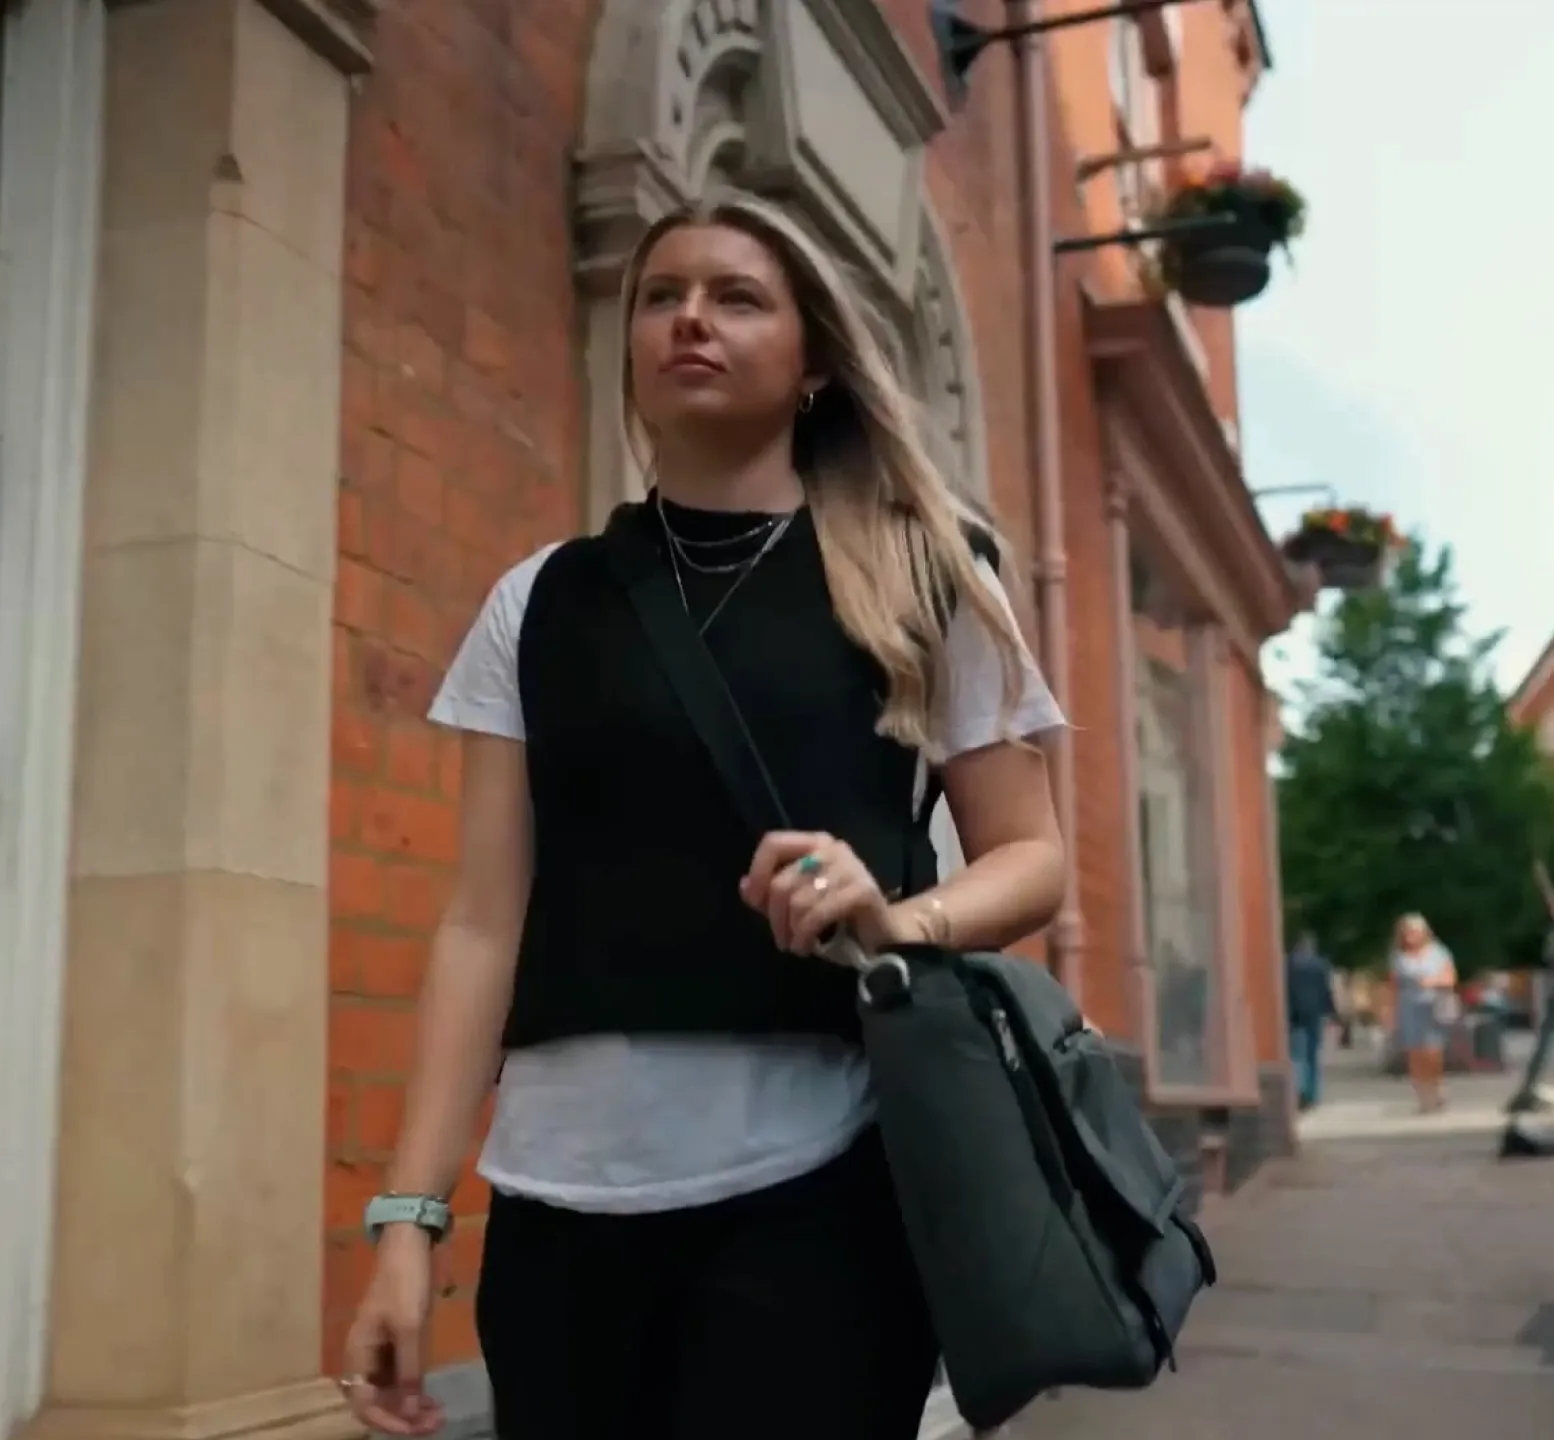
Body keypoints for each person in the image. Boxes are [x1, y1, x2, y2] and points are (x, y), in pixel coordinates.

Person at [338, 191, 1070, 1440]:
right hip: (557, 1205)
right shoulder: (541, 602)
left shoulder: (922, 571)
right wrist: (409, 1220)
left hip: (819, 1188)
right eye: (664, 296)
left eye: (737, 297)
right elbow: (479, 926)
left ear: (814, 359)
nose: (691, 319)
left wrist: (898, 915)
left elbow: (1035, 858)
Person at [1391, 913, 1459, 1112]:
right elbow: (1393, 984)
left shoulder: (1438, 952)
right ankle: (1423, 1097)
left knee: (1432, 1052)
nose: (1410, 936)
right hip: (1409, 1008)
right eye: (1406, 932)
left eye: (1414, 931)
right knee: (1415, 1053)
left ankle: (1437, 1088)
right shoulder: (1398, 956)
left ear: (1423, 933)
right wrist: (1390, 1012)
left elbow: (1450, 977)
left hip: (1434, 1007)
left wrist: (1432, 982)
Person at [1283, 933, 1337, 1109]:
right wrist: (1332, 1013)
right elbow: (1326, 990)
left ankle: (1301, 1090)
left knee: (1297, 1054)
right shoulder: (1321, 964)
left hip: (1294, 1015)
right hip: (1315, 1013)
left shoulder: (1287, 964)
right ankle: (1312, 1094)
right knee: (1313, 1055)